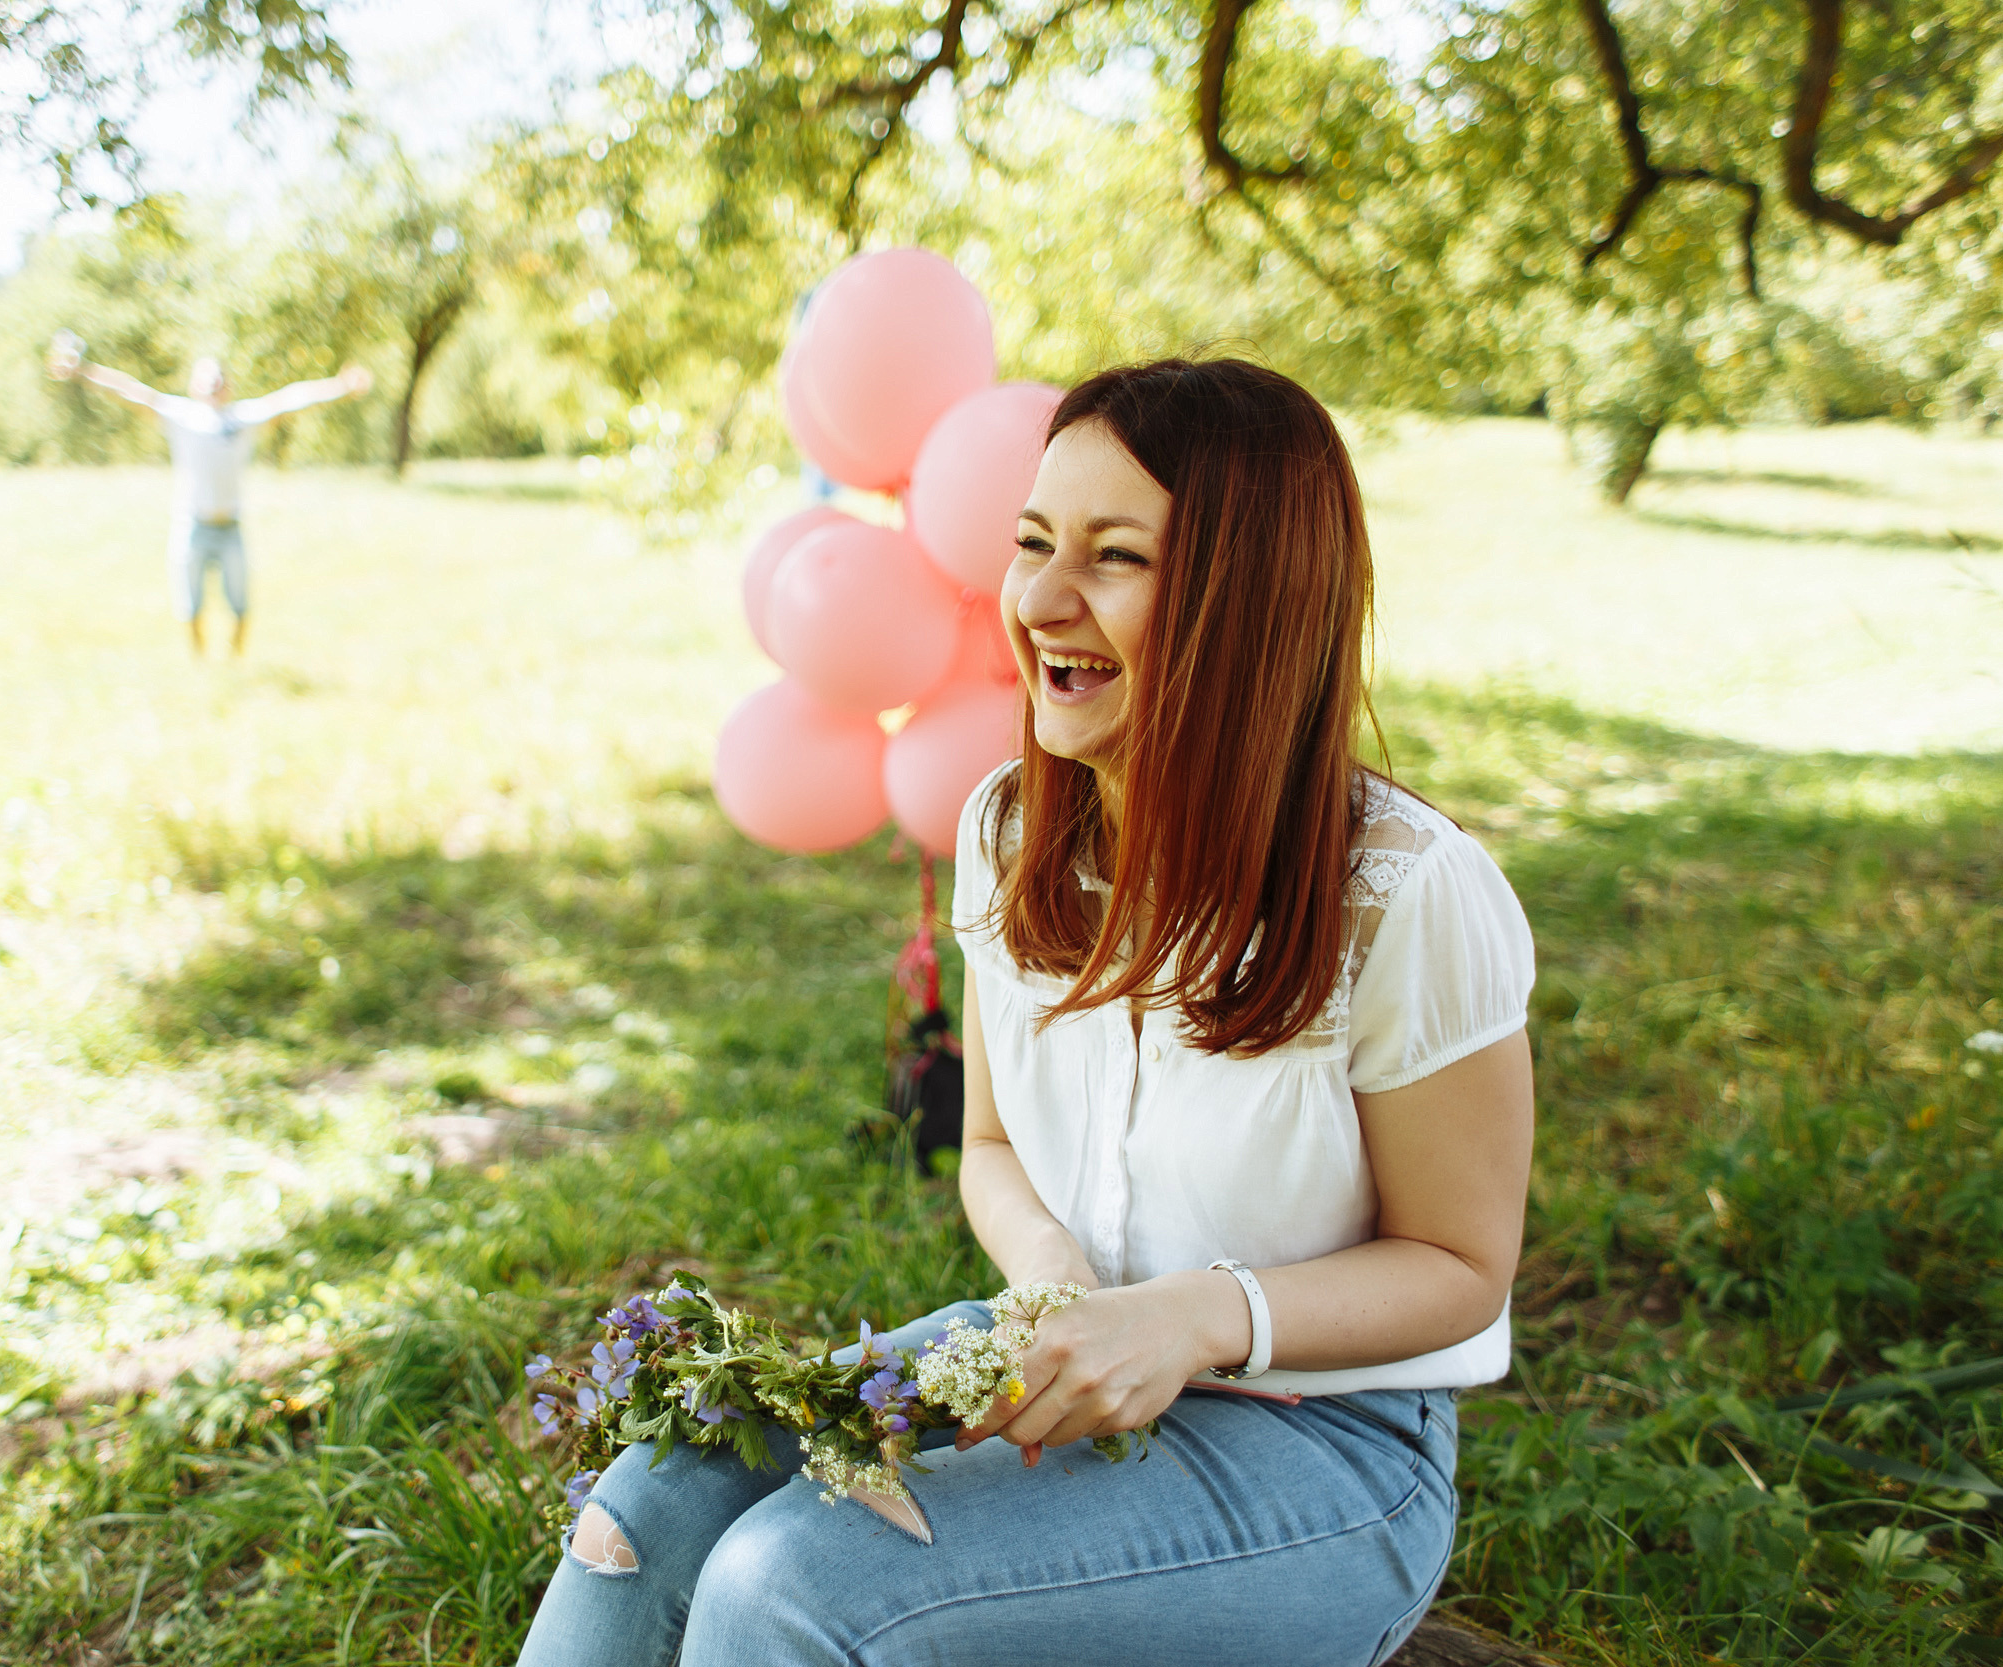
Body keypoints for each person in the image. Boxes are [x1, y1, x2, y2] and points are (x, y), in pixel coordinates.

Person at [517, 357, 1537, 1667]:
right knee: (657, 1495)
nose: (1041, 601)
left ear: (1248, 601)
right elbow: (991, 1150)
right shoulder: (1007, 829)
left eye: (1113, 558)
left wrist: (1194, 1314)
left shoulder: (1404, 892)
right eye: (1033, 542)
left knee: (793, 1583)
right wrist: (1053, 1286)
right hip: (1057, 1347)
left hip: (1326, 1442)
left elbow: (1461, 1267)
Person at [47, 332, 372, 655]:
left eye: (219, 378)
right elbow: (130, 391)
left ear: (228, 385)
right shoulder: (181, 416)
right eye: (207, 379)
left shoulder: (243, 418)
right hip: (193, 527)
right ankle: (200, 666)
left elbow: (290, 399)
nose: (214, 384)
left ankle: (234, 662)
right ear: (194, 385)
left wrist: (340, 386)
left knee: (241, 608)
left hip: (230, 528)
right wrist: (83, 370)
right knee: (190, 608)